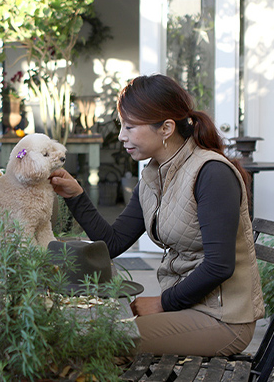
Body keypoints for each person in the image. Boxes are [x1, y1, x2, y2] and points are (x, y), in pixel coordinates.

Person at [49, 74, 264, 357]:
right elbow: (112, 243)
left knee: (98, 340)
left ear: (166, 128)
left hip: (223, 319)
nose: (122, 136)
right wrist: (76, 196)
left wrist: (162, 303)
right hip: (186, 308)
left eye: (130, 126)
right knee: (85, 325)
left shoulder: (212, 173)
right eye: (121, 126)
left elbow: (219, 266)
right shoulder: (153, 175)